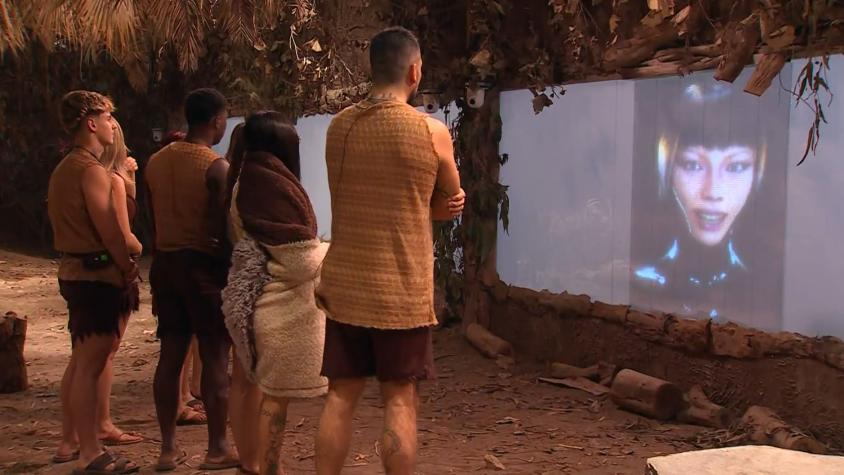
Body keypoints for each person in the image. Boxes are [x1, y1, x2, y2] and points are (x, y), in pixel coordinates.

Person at [314, 27, 465, 475]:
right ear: (415, 71)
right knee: (399, 398)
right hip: (401, 291)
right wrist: (436, 206)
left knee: (340, 395)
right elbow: (450, 199)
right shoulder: (430, 131)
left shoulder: (339, 127)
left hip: (346, 286)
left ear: (372, 68)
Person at [224, 112, 329, 475]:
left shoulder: (248, 178)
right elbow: (300, 259)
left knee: (256, 387)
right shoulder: (265, 186)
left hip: (256, 298)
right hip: (276, 306)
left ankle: (253, 463)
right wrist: (332, 251)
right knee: (274, 397)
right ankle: (267, 468)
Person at [145, 88, 237, 472]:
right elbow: (226, 227)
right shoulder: (215, 166)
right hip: (203, 268)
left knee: (171, 354)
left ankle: (168, 449)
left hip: (165, 264)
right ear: (216, 120)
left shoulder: (156, 162)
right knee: (215, 355)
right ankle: (217, 448)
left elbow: (150, 217)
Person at [48, 90, 140, 474]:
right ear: (91, 123)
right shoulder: (89, 170)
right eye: (107, 118)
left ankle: (73, 442)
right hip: (94, 276)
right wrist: (127, 265)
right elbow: (111, 232)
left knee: (81, 362)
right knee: (89, 365)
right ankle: (90, 452)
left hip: (75, 273)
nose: (111, 125)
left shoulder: (66, 168)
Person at [631, 78, 769, 321]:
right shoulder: (640, 282)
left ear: (757, 172)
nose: (713, 191)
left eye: (736, 166)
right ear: (667, 169)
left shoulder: (763, 290)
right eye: (693, 165)